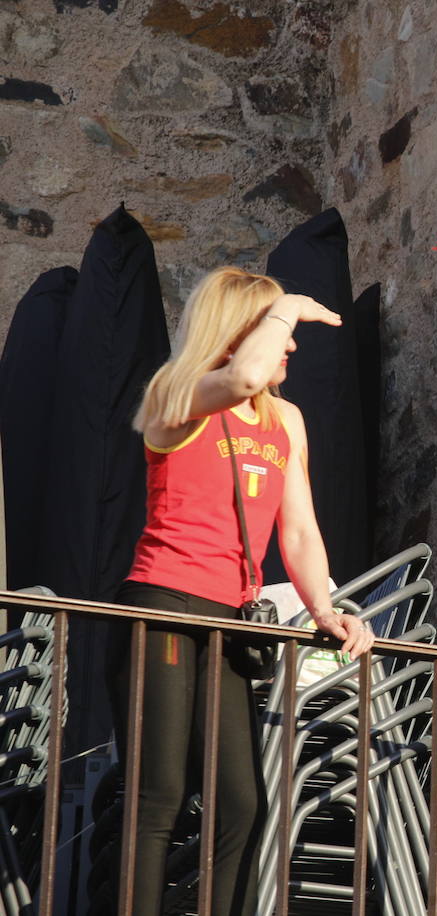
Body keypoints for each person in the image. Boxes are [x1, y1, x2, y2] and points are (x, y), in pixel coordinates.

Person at [106, 266, 374, 916]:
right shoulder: (180, 393)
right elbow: (245, 377)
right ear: (243, 331)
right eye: (279, 332)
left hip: (230, 620)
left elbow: (301, 531)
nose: (292, 346)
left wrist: (325, 610)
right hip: (162, 608)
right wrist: (289, 307)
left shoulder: (287, 421)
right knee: (159, 796)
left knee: (242, 805)